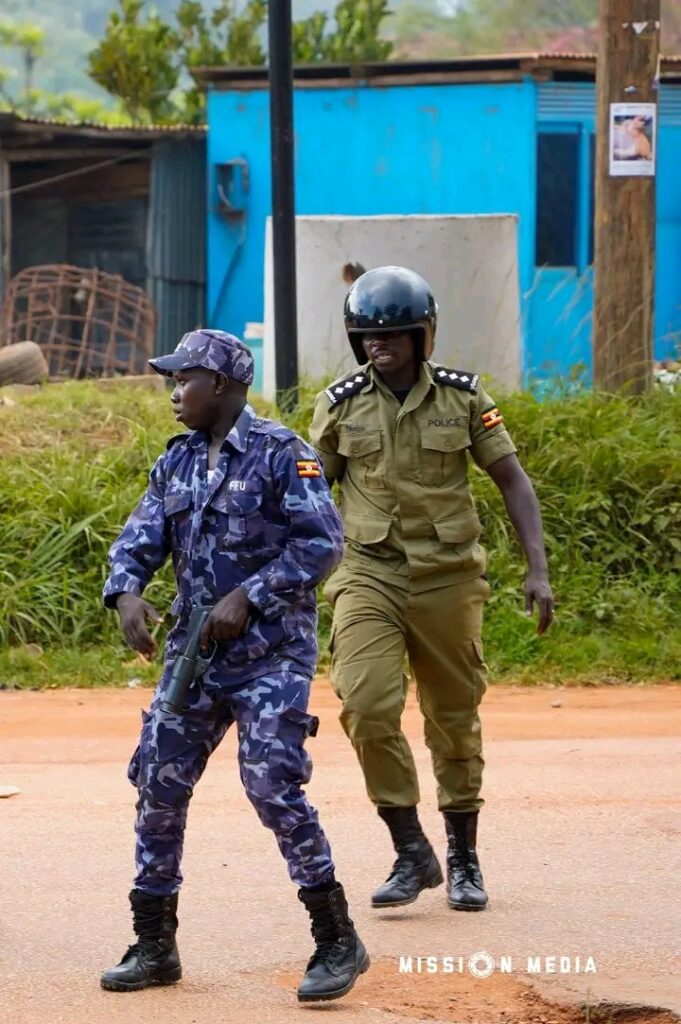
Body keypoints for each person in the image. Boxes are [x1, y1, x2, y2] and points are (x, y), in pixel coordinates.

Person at [100, 329, 369, 1003]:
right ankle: (155, 945)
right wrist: (127, 590)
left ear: (218, 384)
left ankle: (337, 940)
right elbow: (139, 537)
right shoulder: (179, 461)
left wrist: (250, 595)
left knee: (271, 785)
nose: (173, 393)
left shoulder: (282, 455)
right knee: (157, 784)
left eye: (182, 380)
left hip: (269, 657)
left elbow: (323, 543)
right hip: (194, 655)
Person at [309, 267, 554, 913]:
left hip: (447, 576)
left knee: (452, 719)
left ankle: (463, 857)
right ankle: (408, 848)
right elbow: (309, 497)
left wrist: (537, 570)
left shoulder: (462, 398)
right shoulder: (339, 403)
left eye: (390, 335)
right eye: (365, 336)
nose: (376, 347)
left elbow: (512, 481)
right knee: (364, 704)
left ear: (423, 335)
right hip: (368, 570)